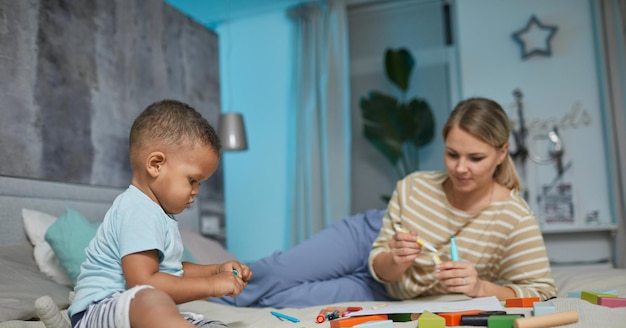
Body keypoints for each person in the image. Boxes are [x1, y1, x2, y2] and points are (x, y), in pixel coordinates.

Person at [213, 97, 556, 308]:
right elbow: (380, 263)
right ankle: (186, 285)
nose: (460, 168)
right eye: (452, 154)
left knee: (282, 298)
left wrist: (481, 287)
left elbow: (540, 291)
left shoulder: (514, 218)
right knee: (276, 271)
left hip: (386, 291)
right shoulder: (415, 186)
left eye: (476, 158)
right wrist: (394, 257)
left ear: (501, 153)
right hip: (369, 239)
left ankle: (205, 297)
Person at [68, 99, 285, 328]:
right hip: (95, 318)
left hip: (128, 317)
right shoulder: (136, 209)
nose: (196, 192)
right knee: (151, 300)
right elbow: (144, 284)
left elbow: (172, 270)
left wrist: (217, 269)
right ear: (156, 164)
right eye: (193, 180)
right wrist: (211, 286)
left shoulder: (161, 215)